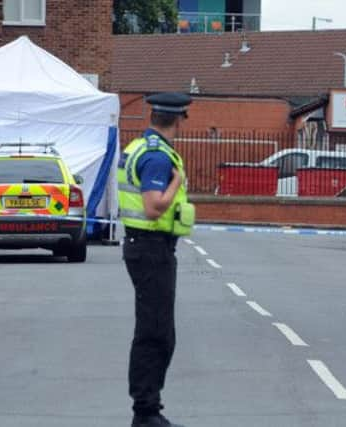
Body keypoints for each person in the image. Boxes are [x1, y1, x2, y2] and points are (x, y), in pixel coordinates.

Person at [118, 93, 196, 427]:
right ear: (179, 119)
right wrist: (177, 181)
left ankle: (149, 408)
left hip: (144, 246)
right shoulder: (158, 157)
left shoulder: (138, 146)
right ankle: (145, 412)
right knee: (155, 332)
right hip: (151, 247)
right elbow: (153, 206)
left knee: (158, 329)